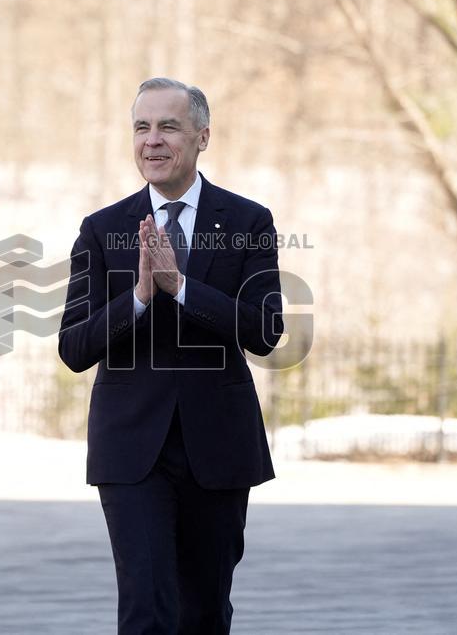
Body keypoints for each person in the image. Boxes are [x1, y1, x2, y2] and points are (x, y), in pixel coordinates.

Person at [58, 77, 283, 634]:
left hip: (219, 446)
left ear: (202, 136)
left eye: (168, 127)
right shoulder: (102, 228)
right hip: (132, 450)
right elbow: (73, 347)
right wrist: (138, 296)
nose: (152, 141)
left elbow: (265, 331)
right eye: (141, 127)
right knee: (146, 606)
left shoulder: (249, 222)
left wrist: (180, 286)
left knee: (204, 611)